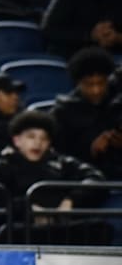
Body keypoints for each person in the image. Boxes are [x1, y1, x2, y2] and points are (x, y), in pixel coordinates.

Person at [0, 111, 110, 244]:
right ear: (17, 140)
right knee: (9, 233)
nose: (38, 143)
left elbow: (96, 178)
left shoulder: (63, 163)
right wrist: (28, 210)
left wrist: (71, 200)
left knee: (99, 229)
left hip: (62, 228)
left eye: (44, 138)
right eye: (31, 137)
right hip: (23, 230)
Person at [50, 47, 122, 179]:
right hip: (84, 179)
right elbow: (59, 156)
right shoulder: (63, 112)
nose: (96, 90)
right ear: (78, 83)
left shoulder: (117, 103)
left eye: (101, 83)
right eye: (89, 84)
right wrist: (90, 148)